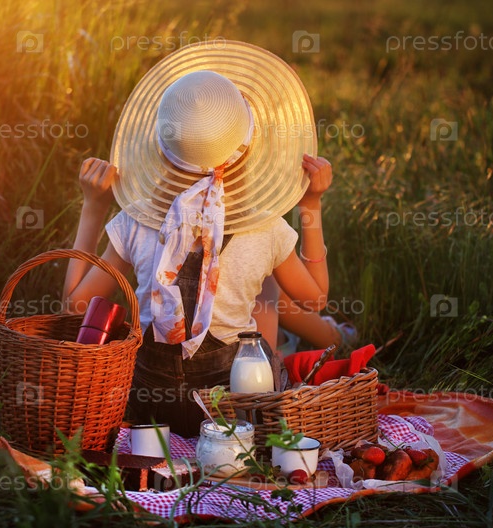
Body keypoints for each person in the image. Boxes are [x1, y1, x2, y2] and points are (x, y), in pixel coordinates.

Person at [63, 41, 339, 437]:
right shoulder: (265, 228)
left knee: (253, 284)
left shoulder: (135, 220)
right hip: (228, 410)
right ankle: (316, 349)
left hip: (148, 406)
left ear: (163, 149)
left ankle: (326, 337)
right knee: (266, 287)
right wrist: (311, 203)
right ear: (248, 148)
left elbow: (75, 307)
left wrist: (93, 207)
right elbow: (314, 297)